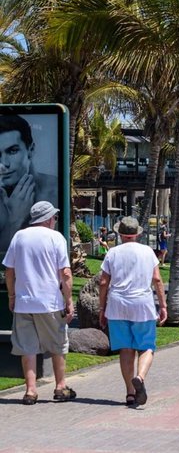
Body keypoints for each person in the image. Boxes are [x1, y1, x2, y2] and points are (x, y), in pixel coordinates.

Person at [2, 201, 76, 405]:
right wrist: (68, 300)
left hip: (24, 302)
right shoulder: (56, 238)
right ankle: (61, 387)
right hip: (50, 302)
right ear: (49, 219)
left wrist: (12, 296)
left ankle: (31, 390)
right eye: (54, 217)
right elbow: (66, 273)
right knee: (58, 345)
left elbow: (9, 271)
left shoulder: (19, 237)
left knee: (27, 347)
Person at [98, 216, 167, 407]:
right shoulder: (147, 252)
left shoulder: (112, 253)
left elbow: (104, 282)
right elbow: (158, 280)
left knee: (126, 348)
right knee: (146, 346)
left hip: (118, 304)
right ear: (137, 234)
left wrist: (102, 308)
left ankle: (130, 392)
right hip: (142, 304)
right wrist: (163, 305)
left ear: (120, 234)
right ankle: (140, 377)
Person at [0, 114, 59, 259]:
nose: (3, 164)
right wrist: (14, 220)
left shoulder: (54, 190)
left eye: (12, 151)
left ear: (30, 150)